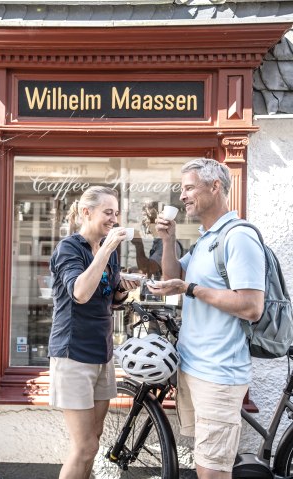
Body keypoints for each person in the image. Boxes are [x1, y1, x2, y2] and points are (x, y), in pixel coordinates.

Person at [147, 158, 265, 479]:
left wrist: (192, 288)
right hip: (196, 368)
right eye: (181, 189)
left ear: (215, 187)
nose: (182, 195)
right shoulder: (205, 238)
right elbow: (174, 275)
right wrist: (169, 240)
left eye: (188, 187)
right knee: (205, 466)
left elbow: (252, 306)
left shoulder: (237, 236)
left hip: (218, 373)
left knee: (212, 473)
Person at [48, 185, 141, 479]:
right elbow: (80, 293)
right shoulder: (69, 248)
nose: (113, 219)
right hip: (73, 354)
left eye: (116, 213)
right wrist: (108, 249)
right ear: (87, 212)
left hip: (102, 353)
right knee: (85, 446)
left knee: (94, 438)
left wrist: (123, 290)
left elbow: (107, 297)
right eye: (107, 212)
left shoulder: (108, 251)